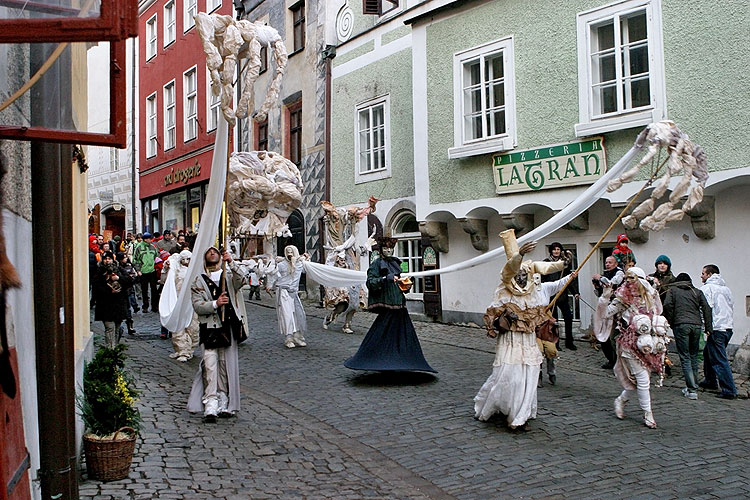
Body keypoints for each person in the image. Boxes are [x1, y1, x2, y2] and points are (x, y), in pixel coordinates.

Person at [474, 230, 571, 429]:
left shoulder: (531, 290)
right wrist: (520, 255)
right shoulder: (506, 279)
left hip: (527, 341)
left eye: (523, 274)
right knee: (510, 375)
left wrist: (563, 264)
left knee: (530, 373)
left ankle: (520, 414)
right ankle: (504, 407)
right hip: (510, 341)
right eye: (518, 273)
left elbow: (545, 267)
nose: (520, 277)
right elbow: (510, 269)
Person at [344, 237, 436, 373]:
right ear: (381, 250)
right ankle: (378, 359)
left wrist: (407, 283)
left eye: (390, 248)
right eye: (386, 248)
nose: (388, 251)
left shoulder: (396, 263)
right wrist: (384, 279)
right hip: (387, 305)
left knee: (403, 336)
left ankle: (404, 360)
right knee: (382, 334)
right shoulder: (376, 264)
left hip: (400, 304)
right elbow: (370, 283)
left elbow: (400, 283)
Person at [187, 247, 248, 422]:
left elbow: (242, 279)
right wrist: (215, 303)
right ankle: (210, 402)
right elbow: (198, 305)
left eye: (216, 252)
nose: (213, 253)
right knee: (210, 365)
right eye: (209, 252)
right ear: (206, 258)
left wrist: (232, 262)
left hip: (227, 327)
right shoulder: (198, 281)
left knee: (224, 365)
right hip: (209, 328)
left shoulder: (227, 276)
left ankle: (224, 399)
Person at [606, 267, 666, 429]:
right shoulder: (623, 296)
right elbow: (607, 312)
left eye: (632, 279)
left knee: (640, 381)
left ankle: (621, 400)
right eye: (627, 279)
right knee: (643, 380)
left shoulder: (651, 294)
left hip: (649, 342)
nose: (629, 283)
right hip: (630, 343)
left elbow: (658, 311)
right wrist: (606, 298)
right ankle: (648, 415)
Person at [662, 272, 712, 400]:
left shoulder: (672, 291)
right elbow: (707, 308)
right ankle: (693, 385)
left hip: (681, 325)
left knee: (685, 357)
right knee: (693, 356)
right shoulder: (696, 292)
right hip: (696, 325)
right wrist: (708, 327)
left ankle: (692, 389)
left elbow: (667, 305)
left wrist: (671, 322)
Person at [699, 264, 738, 399]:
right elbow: (731, 306)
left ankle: (729, 389)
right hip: (727, 327)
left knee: (719, 360)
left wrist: (706, 328)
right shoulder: (726, 289)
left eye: (703, 273)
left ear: (709, 275)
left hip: (716, 328)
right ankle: (710, 380)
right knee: (708, 353)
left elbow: (705, 309)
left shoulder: (707, 288)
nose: (701, 276)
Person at [270, 246, 309, 348]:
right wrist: (271, 286)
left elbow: (307, 269)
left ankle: (297, 336)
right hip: (283, 293)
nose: (289, 253)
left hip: (294, 293)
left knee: (298, 314)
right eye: (287, 251)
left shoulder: (300, 264)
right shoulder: (281, 265)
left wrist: (305, 258)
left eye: (291, 251)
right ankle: (289, 338)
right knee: (287, 315)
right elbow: (274, 276)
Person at [92, 251, 133, 348]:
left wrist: (118, 278)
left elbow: (129, 281)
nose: (107, 261)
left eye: (109, 259)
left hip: (119, 303)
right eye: (106, 259)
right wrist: (108, 291)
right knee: (110, 327)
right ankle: (110, 349)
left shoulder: (119, 269)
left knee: (117, 328)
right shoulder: (99, 271)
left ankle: (115, 347)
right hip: (105, 304)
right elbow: (96, 287)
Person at [542, 242, 578, 350]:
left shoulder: (564, 263)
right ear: (551, 251)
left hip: (562, 295)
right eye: (554, 249)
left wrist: (575, 292)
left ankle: (569, 342)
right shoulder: (546, 263)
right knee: (554, 320)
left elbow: (569, 280)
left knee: (568, 317)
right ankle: (555, 343)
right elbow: (543, 279)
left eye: (558, 249)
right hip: (551, 296)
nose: (556, 251)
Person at [592, 256, 625, 369]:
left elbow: (612, 283)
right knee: (602, 337)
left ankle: (617, 362)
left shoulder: (619, 273)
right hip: (606, 308)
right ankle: (611, 360)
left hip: (617, 309)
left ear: (616, 264)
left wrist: (600, 278)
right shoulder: (605, 274)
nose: (607, 264)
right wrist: (597, 286)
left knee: (612, 338)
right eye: (606, 262)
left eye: (610, 262)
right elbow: (601, 293)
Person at [166, 250, 199, 362]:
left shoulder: (195, 270)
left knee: (192, 326)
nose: (186, 261)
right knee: (178, 327)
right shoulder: (176, 270)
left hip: (191, 302)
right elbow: (167, 280)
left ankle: (190, 350)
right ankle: (181, 350)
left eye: (188, 259)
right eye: (184, 259)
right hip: (178, 301)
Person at [133, 232, 160, 313]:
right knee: (144, 290)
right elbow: (136, 260)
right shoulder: (139, 247)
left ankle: (154, 306)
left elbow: (156, 257)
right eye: (149, 239)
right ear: (145, 239)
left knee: (154, 289)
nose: (151, 240)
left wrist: (156, 267)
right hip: (143, 271)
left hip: (152, 271)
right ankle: (145, 306)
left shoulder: (152, 247)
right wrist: (138, 270)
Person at [117, 252, 139, 334]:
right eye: (124, 257)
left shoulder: (129, 266)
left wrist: (132, 278)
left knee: (128, 308)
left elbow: (133, 275)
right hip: (120, 291)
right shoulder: (117, 268)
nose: (126, 259)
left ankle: (130, 327)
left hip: (129, 289)